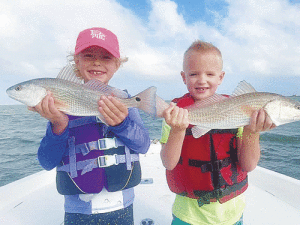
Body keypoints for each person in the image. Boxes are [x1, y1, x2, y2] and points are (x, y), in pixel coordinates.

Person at [32, 27, 150, 225]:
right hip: (79, 212)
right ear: (76, 61)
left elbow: (144, 145)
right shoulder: (60, 105)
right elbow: (46, 162)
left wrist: (122, 124)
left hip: (123, 207)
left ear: (117, 64)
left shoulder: (124, 101)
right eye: (88, 56)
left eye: (105, 57)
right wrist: (58, 124)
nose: (96, 62)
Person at [160, 40, 275, 225]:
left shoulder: (240, 112)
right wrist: (178, 130)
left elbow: (249, 165)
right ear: (184, 77)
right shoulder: (175, 114)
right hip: (187, 217)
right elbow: (168, 163)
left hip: (232, 216)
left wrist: (252, 131)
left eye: (210, 74)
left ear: (221, 77)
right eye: (194, 74)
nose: (202, 80)